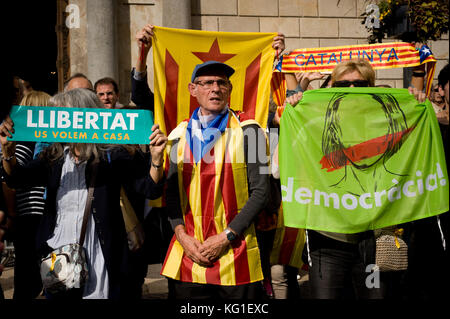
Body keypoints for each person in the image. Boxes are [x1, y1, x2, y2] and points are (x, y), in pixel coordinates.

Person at [0, 88, 168, 299]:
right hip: (58, 254)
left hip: (101, 253)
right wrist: (7, 152)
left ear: (85, 117)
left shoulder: (113, 156)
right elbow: (16, 178)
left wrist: (156, 159)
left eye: (63, 115)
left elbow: (150, 189)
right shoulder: (54, 156)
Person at [160, 61, 270, 299]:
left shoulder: (251, 131)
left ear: (229, 89)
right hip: (188, 253)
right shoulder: (177, 136)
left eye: (221, 83)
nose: (215, 88)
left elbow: (261, 192)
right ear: (192, 89)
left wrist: (226, 237)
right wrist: (181, 236)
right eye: (207, 83)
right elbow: (170, 195)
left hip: (236, 253)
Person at [8, 91, 51, 299]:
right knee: (30, 275)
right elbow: (13, 177)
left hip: (31, 215)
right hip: (32, 216)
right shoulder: (25, 142)